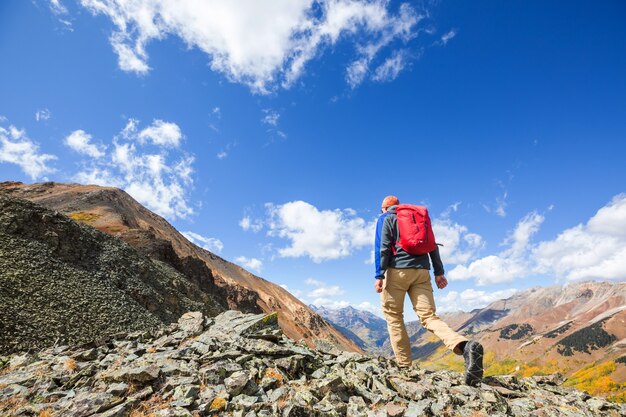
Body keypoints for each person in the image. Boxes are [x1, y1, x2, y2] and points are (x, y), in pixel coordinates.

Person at [374, 195, 483, 386]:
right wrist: (439, 273)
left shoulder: (386, 218)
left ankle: (404, 367)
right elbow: (432, 246)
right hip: (422, 272)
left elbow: (382, 247)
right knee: (429, 317)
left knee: (394, 317)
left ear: (385, 208)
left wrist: (379, 275)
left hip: (397, 272)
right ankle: (464, 345)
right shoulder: (418, 218)